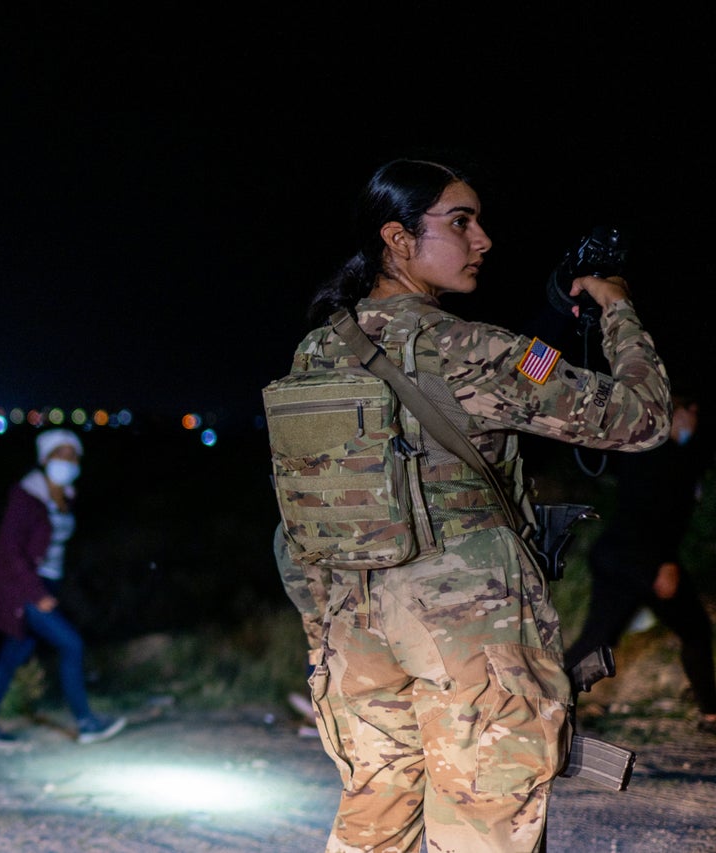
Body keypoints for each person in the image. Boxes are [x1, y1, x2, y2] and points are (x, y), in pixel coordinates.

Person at [274, 158, 671, 851]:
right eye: (461, 222)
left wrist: (544, 331)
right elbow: (642, 416)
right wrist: (615, 307)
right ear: (398, 239)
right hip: (465, 631)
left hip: (350, 631)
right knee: (484, 829)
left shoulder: (317, 349)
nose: (483, 239)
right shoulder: (472, 347)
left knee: (373, 824)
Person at [563, 392, 716, 732]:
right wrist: (661, 564)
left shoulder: (685, 454)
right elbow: (642, 510)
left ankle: (710, 712)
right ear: (670, 414)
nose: (692, 417)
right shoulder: (653, 453)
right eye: (685, 410)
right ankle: (546, 706)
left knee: (601, 641)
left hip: (631, 557)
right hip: (634, 557)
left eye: (694, 411)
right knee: (691, 630)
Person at [0, 428, 126, 747]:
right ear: (44, 459)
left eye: (73, 455)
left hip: (47, 583)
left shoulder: (66, 495)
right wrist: (36, 593)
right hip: (25, 587)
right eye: (60, 454)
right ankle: (86, 723)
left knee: (14, 652)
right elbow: (10, 551)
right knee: (71, 644)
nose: (67, 461)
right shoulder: (26, 495)